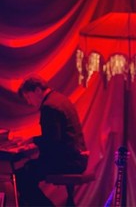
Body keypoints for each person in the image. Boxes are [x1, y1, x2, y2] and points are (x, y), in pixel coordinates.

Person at [16, 75, 88, 206]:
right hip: (77, 159)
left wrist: (30, 142)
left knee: (21, 177)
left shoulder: (49, 106)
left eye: (28, 97)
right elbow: (56, 138)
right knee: (28, 171)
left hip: (68, 162)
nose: (29, 102)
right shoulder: (60, 99)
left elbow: (52, 142)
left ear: (37, 90)